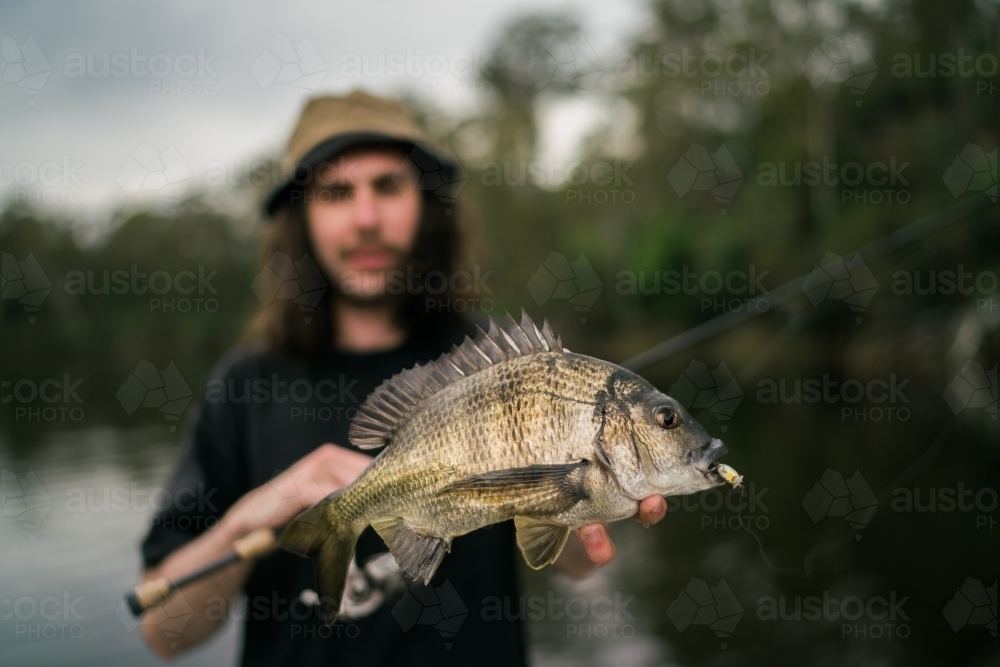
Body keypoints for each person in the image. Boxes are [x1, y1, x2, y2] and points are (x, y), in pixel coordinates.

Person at [137, 90, 667, 666]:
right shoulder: (242, 387)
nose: (366, 217)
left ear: (425, 204)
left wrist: (590, 506)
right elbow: (165, 635)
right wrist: (256, 511)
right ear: (301, 218)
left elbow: (575, 562)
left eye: (388, 186)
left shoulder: (499, 366)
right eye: (337, 192)